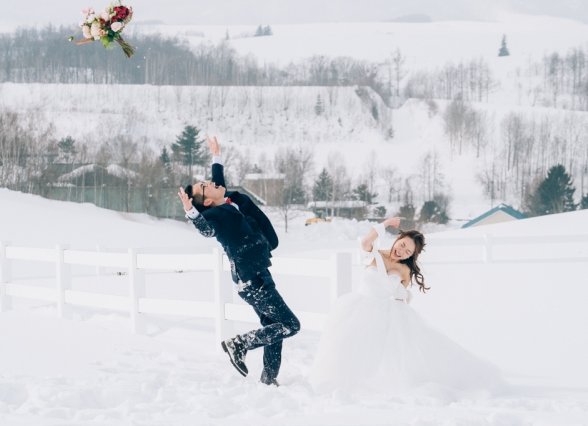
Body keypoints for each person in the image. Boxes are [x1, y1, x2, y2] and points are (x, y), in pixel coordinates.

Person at [307, 217, 503, 392]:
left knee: (384, 353)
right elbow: (366, 241)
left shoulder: (404, 271)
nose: (401, 251)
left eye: (407, 251)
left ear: (411, 255)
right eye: (401, 245)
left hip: (383, 313)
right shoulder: (376, 253)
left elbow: (400, 299)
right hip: (358, 307)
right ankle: (339, 383)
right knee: (346, 344)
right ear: (397, 239)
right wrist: (385, 224)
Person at [178, 135, 300, 386]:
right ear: (208, 202)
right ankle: (239, 344)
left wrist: (216, 157)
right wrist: (192, 212)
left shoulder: (225, 202)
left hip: (256, 276)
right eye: (205, 185)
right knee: (290, 325)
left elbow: (218, 185)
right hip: (252, 280)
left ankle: (268, 380)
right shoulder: (215, 216)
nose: (211, 183)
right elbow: (206, 230)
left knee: (274, 328)